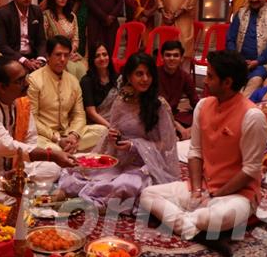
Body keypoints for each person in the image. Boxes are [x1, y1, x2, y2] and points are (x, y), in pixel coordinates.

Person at [140, 51, 267, 257]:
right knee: (148, 195)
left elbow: (251, 170)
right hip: (204, 188)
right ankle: (200, 233)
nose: (206, 81)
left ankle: (192, 224)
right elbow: (195, 152)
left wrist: (216, 195)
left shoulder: (253, 116)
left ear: (227, 82)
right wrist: (197, 191)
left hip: (237, 195)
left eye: (210, 76)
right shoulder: (203, 105)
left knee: (210, 217)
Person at [0, 56, 77, 211]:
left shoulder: (21, 102)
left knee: (52, 169)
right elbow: (5, 146)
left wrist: (19, 169)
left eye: (26, 77)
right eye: (20, 80)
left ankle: (15, 198)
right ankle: (26, 198)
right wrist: (51, 155)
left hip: (10, 171)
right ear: (2, 87)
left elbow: (30, 139)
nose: (27, 83)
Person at [58, 53, 180, 213]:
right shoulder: (121, 101)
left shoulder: (158, 106)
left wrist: (135, 145)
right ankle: (91, 199)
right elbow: (113, 133)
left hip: (146, 165)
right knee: (78, 176)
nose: (145, 79)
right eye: (139, 74)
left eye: (149, 74)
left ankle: (93, 202)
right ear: (129, 76)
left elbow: (166, 145)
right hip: (120, 161)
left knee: (125, 185)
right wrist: (112, 139)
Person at [27, 35, 108, 153]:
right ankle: (67, 151)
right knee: (51, 149)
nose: (63, 59)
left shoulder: (73, 81)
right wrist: (57, 138)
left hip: (67, 134)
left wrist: (73, 135)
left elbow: (79, 114)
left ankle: (69, 148)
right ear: (48, 56)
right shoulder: (34, 80)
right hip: (45, 137)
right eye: (58, 55)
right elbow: (32, 118)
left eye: (66, 55)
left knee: (102, 131)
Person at [0, 0, 47, 72]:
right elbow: (1, 45)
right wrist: (23, 60)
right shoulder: (2, 13)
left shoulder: (36, 11)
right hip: (13, 58)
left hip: (34, 57)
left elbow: (41, 41)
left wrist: (40, 59)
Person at [157, 40, 199, 139]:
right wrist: (178, 126)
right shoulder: (154, 74)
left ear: (181, 59)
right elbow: (152, 106)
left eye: (176, 55)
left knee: (198, 115)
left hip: (174, 114)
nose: (172, 58)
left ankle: (178, 133)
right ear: (162, 57)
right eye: (168, 55)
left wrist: (195, 125)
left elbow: (195, 102)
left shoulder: (185, 76)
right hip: (156, 114)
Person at [43, 0, 86, 79]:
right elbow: (44, 40)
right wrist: (62, 53)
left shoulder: (72, 16)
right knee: (70, 68)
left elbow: (75, 38)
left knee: (83, 68)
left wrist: (71, 52)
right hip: (55, 54)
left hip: (71, 53)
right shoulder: (47, 16)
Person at [80, 42, 118, 127]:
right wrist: (110, 127)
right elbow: (91, 113)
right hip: (97, 125)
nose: (102, 58)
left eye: (105, 54)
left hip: (118, 121)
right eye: (97, 56)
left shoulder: (117, 78)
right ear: (92, 60)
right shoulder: (86, 81)